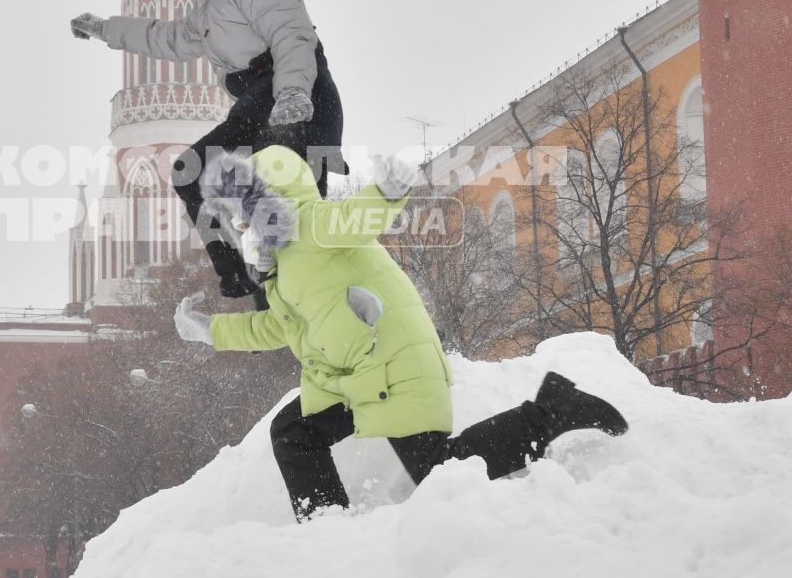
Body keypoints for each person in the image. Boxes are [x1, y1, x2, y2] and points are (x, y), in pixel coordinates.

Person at [174, 146, 629, 519]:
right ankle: (325, 526)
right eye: (235, 217)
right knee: (294, 431)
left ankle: (550, 410)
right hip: (356, 377)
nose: (239, 225)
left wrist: (386, 194)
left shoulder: (314, 226)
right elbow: (275, 325)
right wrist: (210, 331)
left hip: (395, 365)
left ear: (268, 202)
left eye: (244, 211)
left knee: (437, 470)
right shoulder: (282, 267)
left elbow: (357, 218)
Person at [72, 0, 346, 308]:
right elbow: (166, 38)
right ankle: (249, 284)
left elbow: (294, 34)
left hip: (297, 96)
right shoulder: (209, 1)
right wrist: (104, 29)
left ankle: (307, 290)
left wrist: (292, 96)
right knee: (191, 173)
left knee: (296, 209)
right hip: (261, 99)